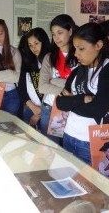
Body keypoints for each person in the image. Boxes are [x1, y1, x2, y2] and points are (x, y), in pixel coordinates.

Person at [56, 22, 109, 165]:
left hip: (93, 141)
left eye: (81, 48)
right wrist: (82, 98)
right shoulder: (78, 70)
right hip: (69, 134)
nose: (76, 54)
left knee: (89, 185)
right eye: (75, 48)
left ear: (99, 45)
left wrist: (72, 101)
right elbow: (60, 102)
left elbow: (97, 110)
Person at [38, 14, 77, 143]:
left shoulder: (80, 55)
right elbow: (42, 86)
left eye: (60, 32)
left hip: (73, 111)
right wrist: (62, 89)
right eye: (53, 34)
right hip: (50, 108)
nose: (56, 38)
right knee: (51, 151)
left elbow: (78, 85)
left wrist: (53, 81)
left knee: (68, 151)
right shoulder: (49, 57)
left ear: (70, 31)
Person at [17, 27, 50, 128]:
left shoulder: (51, 62)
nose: (34, 48)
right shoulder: (27, 62)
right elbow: (21, 88)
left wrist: (40, 113)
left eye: (36, 43)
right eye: (30, 45)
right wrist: (33, 107)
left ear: (43, 42)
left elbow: (53, 92)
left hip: (48, 111)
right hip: (29, 108)